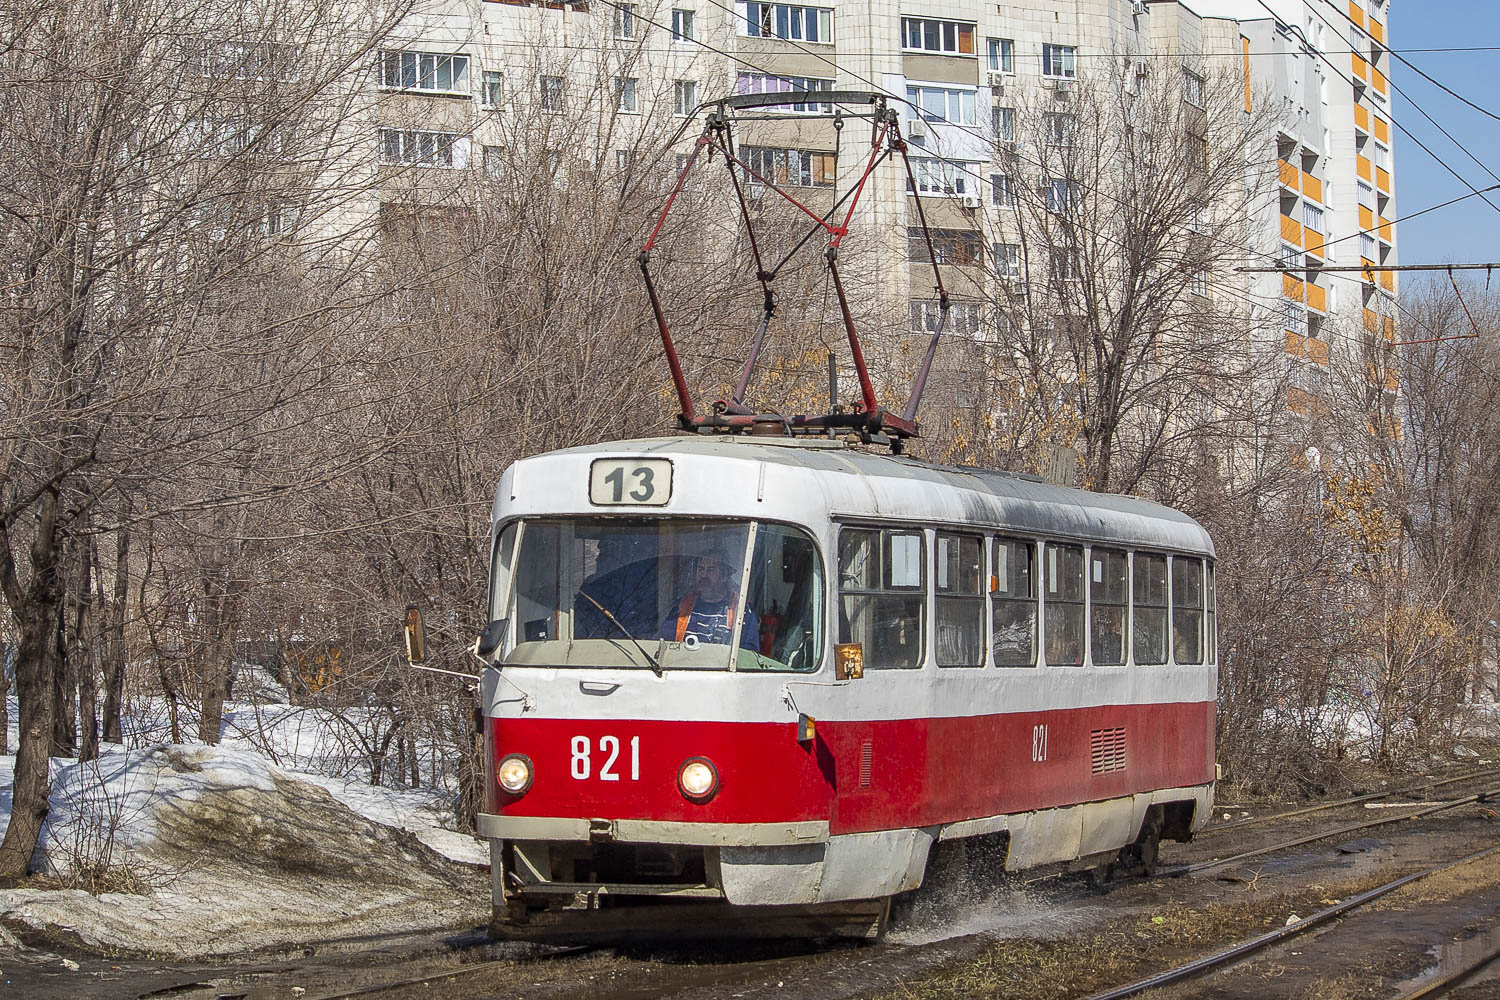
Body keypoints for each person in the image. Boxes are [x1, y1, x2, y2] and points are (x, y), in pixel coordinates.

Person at [660, 550, 759, 652]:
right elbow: (664, 642)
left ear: (724, 575)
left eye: (710, 570)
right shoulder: (683, 605)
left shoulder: (741, 610)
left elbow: (748, 654)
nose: (704, 575)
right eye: (701, 569)